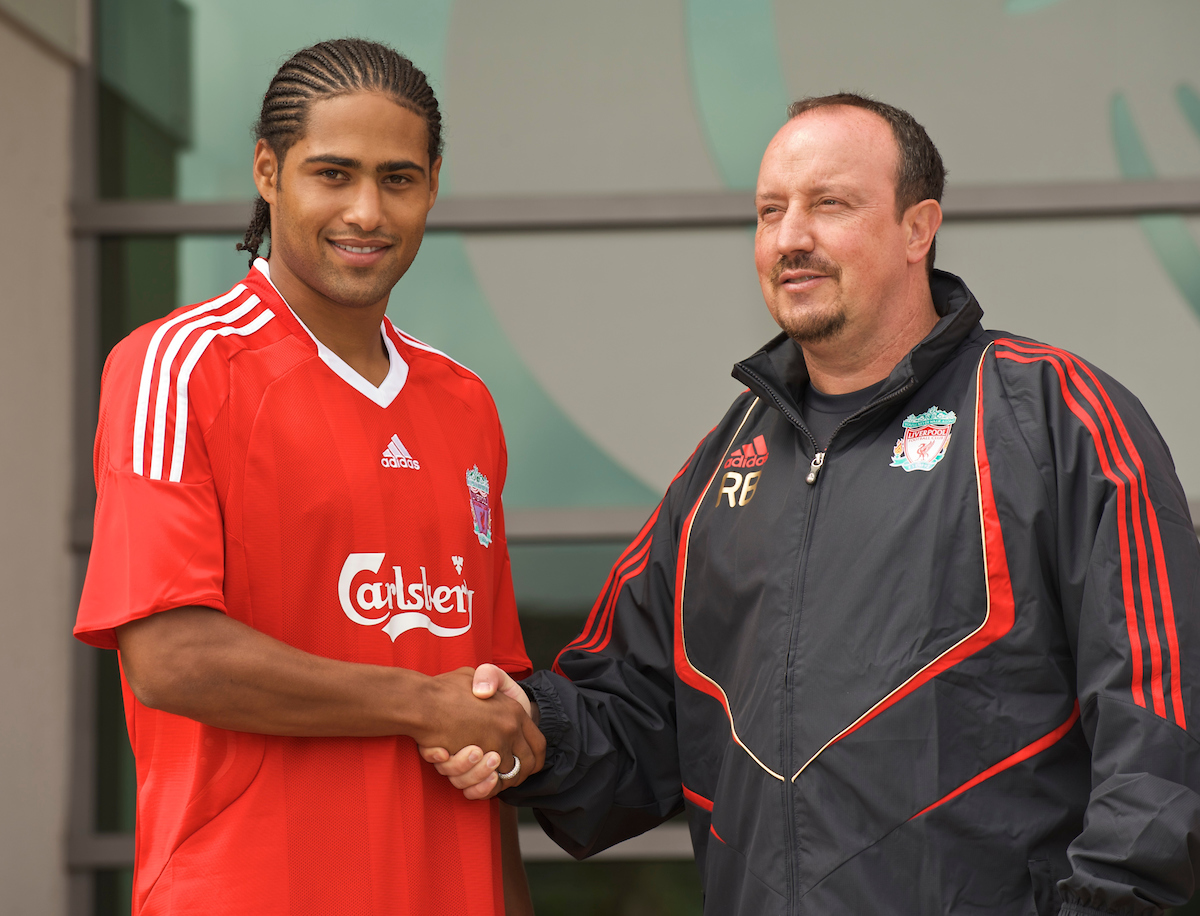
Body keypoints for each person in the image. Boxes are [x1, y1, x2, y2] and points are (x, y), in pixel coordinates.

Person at [425, 94, 1200, 915]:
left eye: (830, 205)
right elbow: (632, 728)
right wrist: (515, 726)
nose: (791, 237)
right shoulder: (722, 467)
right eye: (770, 212)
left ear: (917, 228)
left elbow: (1162, 713)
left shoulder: (1053, 412)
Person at [74, 38, 543, 916]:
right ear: (267, 170)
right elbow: (171, 659)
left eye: (398, 179)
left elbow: (484, 704)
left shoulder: (466, 403)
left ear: (433, 185)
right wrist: (420, 704)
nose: (366, 210)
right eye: (334, 173)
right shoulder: (176, 367)